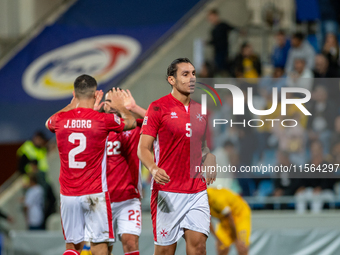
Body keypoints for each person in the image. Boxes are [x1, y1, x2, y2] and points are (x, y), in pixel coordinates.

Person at [45, 74, 136, 255]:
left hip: (68, 196)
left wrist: (72, 104)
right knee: (99, 246)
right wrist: (120, 108)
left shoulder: (60, 120)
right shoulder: (102, 120)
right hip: (94, 194)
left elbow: (49, 122)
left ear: (74, 93)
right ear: (96, 96)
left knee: (72, 247)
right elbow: (131, 123)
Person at [138, 58, 216, 255]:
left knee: (199, 247)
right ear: (171, 80)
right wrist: (153, 169)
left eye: (193, 73)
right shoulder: (157, 108)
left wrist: (210, 156)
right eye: (185, 74)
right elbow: (143, 149)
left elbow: (203, 147)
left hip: (196, 190)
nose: (192, 78)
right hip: (167, 191)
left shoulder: (202, 111)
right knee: (165, 251)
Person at [103, 89, 146, 255]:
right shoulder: (98, 128)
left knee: (130, 243)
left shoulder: (136, 125)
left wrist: (133, 107)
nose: (113, 105)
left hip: (128, 199)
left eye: (117, 101)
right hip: (102, 200)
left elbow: (161, 122)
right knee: (102, 249)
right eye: (109, 101)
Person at [207, 187, 251, 255]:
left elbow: (230, 218)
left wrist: (236, 239)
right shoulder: (200, 201)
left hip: (240, 215)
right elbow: (207, 222)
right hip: (224, 219)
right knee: (222, 248)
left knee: (242, 247)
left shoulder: (218, 200)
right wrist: (218, 239)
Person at [207, 9, 235, 74]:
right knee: (218, 67)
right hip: (217, 51)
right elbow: (214, 41)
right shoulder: (213, 29)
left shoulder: (223, 25)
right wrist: (207, 43)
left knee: (224, 66)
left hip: (224, 51)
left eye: (212, 17)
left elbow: (232, 29)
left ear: (216, 16)